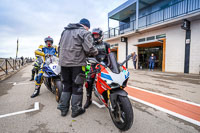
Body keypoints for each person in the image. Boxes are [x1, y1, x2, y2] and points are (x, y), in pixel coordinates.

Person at [57, 18, 98, 118]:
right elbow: (89, 48)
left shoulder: (64, 31)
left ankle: (63, 108)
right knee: (77, 86)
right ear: (86, 26)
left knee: (66, 85)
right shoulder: (84, 32)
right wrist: (96, 52)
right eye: (88, 28)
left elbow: (59, 47)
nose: (88, 30)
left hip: (63, 64)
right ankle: (76, 109)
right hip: (77, 64)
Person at [84, 28, 111, 109]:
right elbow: (87, 55)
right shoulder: (91, 45)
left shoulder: (106, 44)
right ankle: (89, 99)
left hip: (105, 65)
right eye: (94, 35)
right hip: (94, 65)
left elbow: (110, 55)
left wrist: (114, 64)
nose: (95, 37)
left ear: (101, 35)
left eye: (97, 35)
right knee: (88, 81)